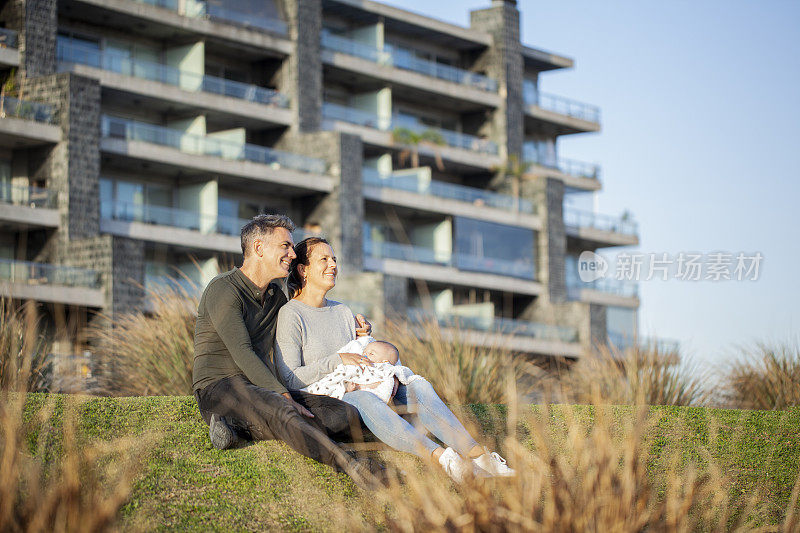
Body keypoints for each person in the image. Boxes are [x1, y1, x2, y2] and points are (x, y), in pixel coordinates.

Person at [274, 237, 515, 482]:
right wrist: (338, 360)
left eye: (334, 259)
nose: (333, 265)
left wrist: (370, 345)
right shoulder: (291, 314)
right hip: (329, 400)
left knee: (417, 385)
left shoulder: (343, 312)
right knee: (364, 398)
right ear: (303, 270)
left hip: (362, 386)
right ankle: (444, 459)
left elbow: (360, 356)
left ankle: (479, 456)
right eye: (324, 259)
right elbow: (290, 376)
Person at [191, 214, 383, 487]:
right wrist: (284, 396)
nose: (293, 254)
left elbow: (306, 321)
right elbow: (243, 352)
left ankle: (238, 428)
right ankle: (352, 466)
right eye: (285, 246)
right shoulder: (224, 289)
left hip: (261, 387)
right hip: (219, 388)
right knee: (283, 411)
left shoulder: (275, 297)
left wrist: (354, 329)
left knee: (343, 414)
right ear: (258, 248)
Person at [303, 337, 422, 404]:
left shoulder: (382, 370)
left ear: (383, 361)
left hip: (355, 390)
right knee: (326, 383)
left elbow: (379, 385)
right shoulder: (360, 360)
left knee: (422, 386)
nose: (365, 355)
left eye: (371, 353)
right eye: (365, 351)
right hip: (339, 380)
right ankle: (309, 392)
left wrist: (357, 387)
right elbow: (342, 372)